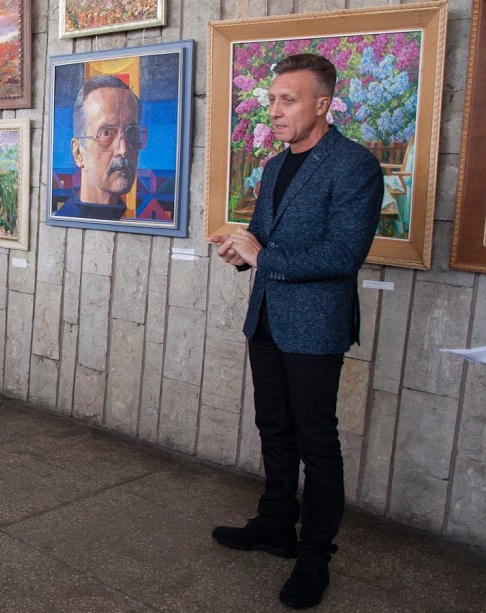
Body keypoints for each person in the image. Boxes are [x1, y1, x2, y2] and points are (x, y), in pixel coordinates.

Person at [207, 54, 383, 610]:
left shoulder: (355, 166)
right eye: (272, 99)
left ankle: (314, 555)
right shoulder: (274, 166)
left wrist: (263, 254)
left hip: (316, 327)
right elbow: (263, 239)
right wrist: (239, 252)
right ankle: (276, 526)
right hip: (267, 319)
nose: (275, 111)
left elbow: (343, 254)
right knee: (274, 429)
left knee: (317, 442)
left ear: (322, 105)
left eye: (288, 100)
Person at [56, 75, 147, 220]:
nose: (123, 150)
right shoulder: (63, 226)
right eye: (106, 133)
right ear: (78, 152)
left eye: (132, 132)